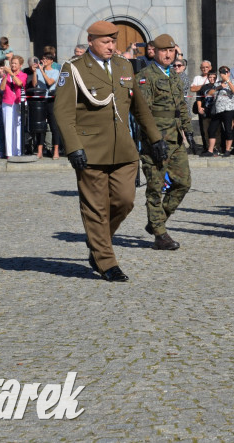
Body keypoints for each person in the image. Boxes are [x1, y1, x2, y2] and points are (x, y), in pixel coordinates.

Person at [54, 20, 166, 282]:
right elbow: (63, 111)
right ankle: (106, 261)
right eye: (105, 41)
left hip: (124, 150)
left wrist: (155, 138)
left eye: (113, 41)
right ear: (91, 41)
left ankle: (97, 240)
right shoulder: (74, 69)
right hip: (90, 150)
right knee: (95, 208)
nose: (111, 46)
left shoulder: (123, 66)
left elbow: (139, 107)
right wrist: (73, 147)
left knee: (125, 201)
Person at [136, 34, 193, 250]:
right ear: (154, 52)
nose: (168, 54)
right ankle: (160, 235)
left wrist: (189, 132)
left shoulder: (175, 76)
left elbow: (181, 108)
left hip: (176, 139)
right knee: (155, 186)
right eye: (164, 51)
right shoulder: (145, 76)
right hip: (156, 141)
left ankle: (156, 221)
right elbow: (143, 113)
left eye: (171, 51)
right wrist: (154, 139)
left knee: (183, 183)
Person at [30, 52, 61, 159]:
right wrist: (35, 72)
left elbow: (49, 82)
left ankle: (55, 150)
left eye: (47, 59)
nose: (45, 61)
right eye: (43, 58)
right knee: (41, 126)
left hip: (51, 100)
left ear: (52, 61)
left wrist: (42, 71)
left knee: (54, 126)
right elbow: (34, 84)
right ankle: (40, 151)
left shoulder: (55, 71)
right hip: (40, 100)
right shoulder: (38, 71)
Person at [0, 55, 27, 157]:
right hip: (7, 102)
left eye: (15, 63)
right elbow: (1, 88)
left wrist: (11, 74)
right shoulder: (7, 75)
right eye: (12, 63)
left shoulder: (23, 75)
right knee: (8, 127)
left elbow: (19, 83)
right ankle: (9, 152)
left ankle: (18, 151)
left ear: (20, 65)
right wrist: (6, 76)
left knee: (18, 127)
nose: (13, 65)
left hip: (18, 102)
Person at [205, 67, 234, 156]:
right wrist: (218, 87)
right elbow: (209, 93)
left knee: (228, 129)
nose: (223, 73)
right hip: (218, 109)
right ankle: (210, 150)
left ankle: (227, 150)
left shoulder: (233, 81)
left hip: (228, 108)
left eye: (225, 72)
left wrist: (227, 80)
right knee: (211, 129)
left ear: (229, 73)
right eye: (221, 72)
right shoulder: (217, 83)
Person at [191, 60, 213, 150]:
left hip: (212, 104)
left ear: (210, 68)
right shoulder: (197, 78)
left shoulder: (213, 77)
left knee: (214, 127)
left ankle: (215, 146)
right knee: (203, 127)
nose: (204, 69)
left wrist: (200, 87)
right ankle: (205, 146)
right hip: (201, 103)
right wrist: (205, 87)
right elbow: (192, 88)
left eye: (206, 67)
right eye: (203, 67)